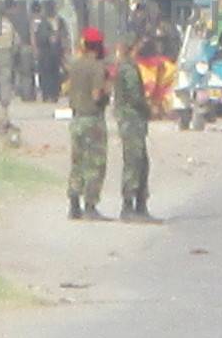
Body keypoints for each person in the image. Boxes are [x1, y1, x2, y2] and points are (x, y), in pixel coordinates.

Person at [65, 27, 111, 220]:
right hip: (93, 119)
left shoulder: (74, 65)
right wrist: (106, 96)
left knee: (78, 162)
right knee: (95, 164)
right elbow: (96, 94)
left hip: (76, 119)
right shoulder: (97, 67)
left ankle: (74, 204)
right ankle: (90, 205)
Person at [115, 38, 157, 222]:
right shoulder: (129, 69)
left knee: (140, 162)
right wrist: (149, 110)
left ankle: (139, 205)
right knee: (134, 163)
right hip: (132, 120)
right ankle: (129, 206)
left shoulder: (126, 67)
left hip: (131, 120)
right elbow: (134, 96)